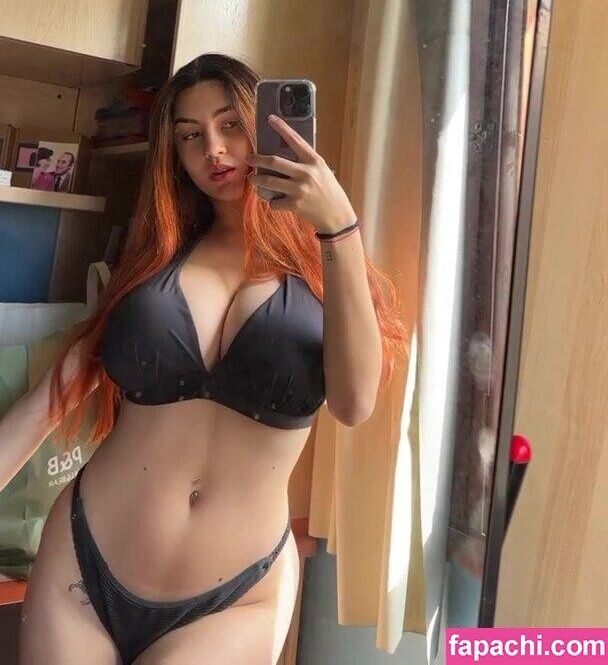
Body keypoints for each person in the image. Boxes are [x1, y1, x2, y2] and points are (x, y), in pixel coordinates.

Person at [6, 53, 407, 665]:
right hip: (84, 566)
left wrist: (338, 226)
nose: (213, 150)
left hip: (236, 597)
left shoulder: (328, 270)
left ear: (265, 125)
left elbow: (354, 404)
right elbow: (47, 403)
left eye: (231, 125)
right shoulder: (154, 260)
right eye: (190, 136)